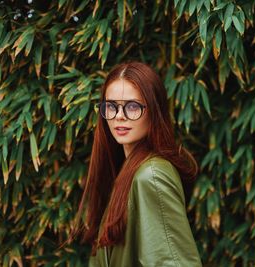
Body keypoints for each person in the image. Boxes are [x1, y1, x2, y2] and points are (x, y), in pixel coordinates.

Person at [72, 61, 202, 267]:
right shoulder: (130, 170)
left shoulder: (151, 176)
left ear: (154, 111)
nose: (119, 116)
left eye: (132, 106)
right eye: (111, 106)